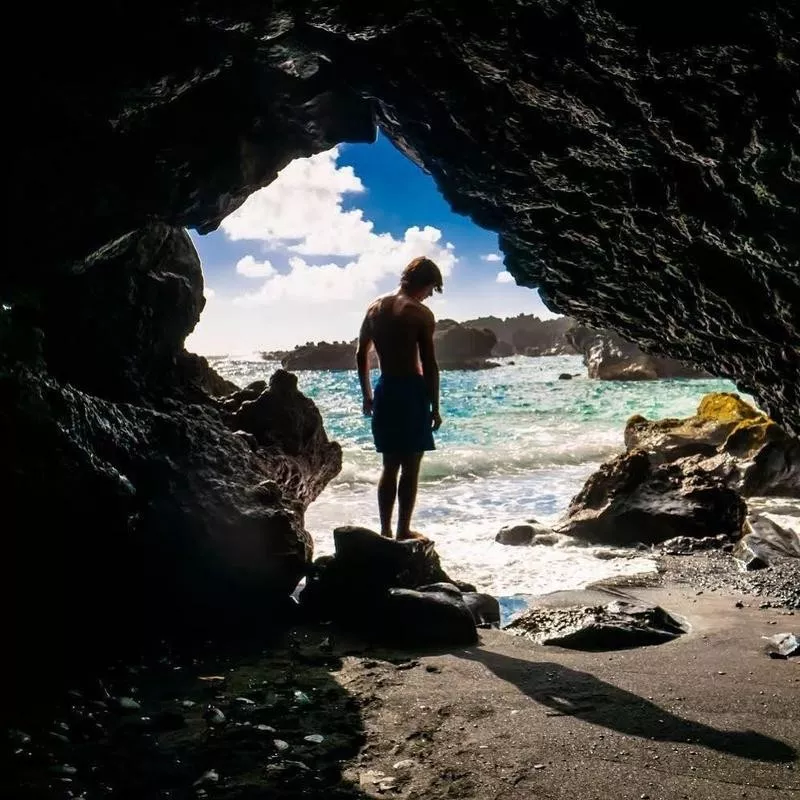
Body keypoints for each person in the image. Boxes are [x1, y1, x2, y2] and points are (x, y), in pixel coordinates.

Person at [356, 256, 444, 540]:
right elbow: (430, 364)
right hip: (411, 391)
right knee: (411, 464)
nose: (430, 296)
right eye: (431, 289)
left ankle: (383, 531)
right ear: (424, 283)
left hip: (385, 389)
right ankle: (403, 530)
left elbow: (361, 355)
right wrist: (435, 406)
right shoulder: (420, 313)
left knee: (389, 464)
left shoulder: (374, 308)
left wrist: (367, 396)